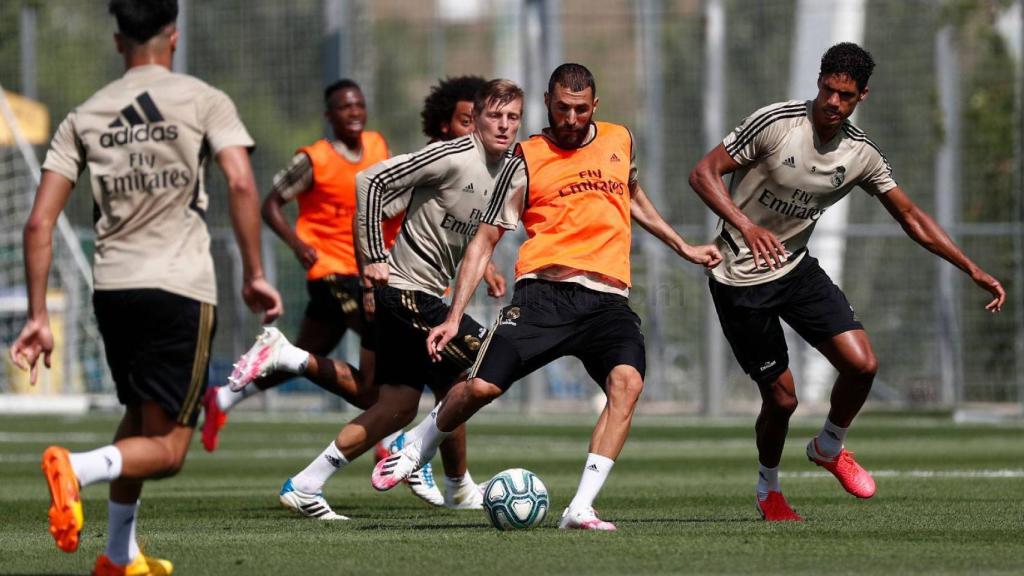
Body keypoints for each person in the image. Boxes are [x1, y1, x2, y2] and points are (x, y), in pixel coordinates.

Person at [373, 63, 722, 531]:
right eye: (562, 108)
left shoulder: (620, 139)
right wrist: (455, 316)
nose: (572, 118)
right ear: (547, 103)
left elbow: (632, 195)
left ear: (594, 106)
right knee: (481, 387)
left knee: (628, 384)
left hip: (607, 301)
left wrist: (683, 246)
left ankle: (580, 508)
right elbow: (484, 240)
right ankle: (417, 444)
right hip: (545, 296)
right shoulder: (525, 157)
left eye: (581, 109)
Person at [8, 1, 283, 573]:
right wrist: (255, 273)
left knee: (139, 416)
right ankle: (76, 469)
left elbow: (38, 222)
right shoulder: (205, 99)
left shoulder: (84, 115)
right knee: (170, 450)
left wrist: (38, 315)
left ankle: (117, 555)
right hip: (178, 286)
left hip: (112, 290)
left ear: (117, 42)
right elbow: (238, 180)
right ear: (174, 37)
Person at [687, 42, 1006, 522]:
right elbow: (702, 173)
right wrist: (746, 226)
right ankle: (767, 488)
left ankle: (829, 445)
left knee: (862, 364)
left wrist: (972, 268)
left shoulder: (861, 154)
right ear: (819, 81)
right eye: (828, 90)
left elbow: (911, 216)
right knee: (783, 398)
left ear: (862, 97)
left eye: (845, 95)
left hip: (795, 268)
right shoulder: (776, 123)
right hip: (739, 280)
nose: (833, 102)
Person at [231, 79, 524, 519]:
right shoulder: (451, 154)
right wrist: (373, 259)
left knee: (396, 405)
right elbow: (370, 180)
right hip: (405, 291)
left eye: (512, 117)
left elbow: (475, 238)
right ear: (477, 118)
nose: (503, 125)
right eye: (493, 116)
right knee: (492, 356)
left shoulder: (511, 170)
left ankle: (306, 485)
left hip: (422, 294)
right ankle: (418, 454)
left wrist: (486, 268)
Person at [201, 79, 397, 453]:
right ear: (329, 116)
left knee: (303, 354)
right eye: (344, 107)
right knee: (382, 339)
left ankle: (222, 398)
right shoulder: (314, 158)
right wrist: (297, 244)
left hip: (364, 267)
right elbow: (270, 203)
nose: (354, 113)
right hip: (331, 271)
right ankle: (386, 440)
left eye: (358, 105)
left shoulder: (378, 146)